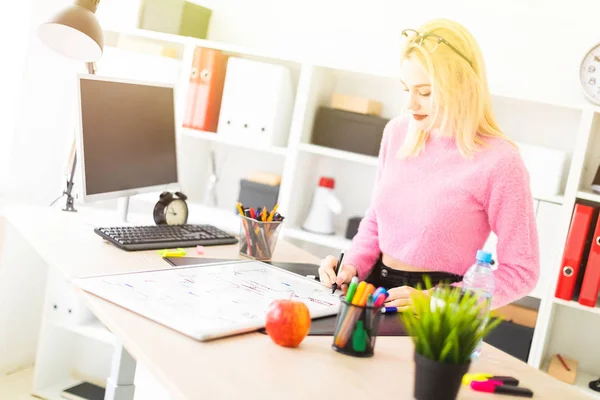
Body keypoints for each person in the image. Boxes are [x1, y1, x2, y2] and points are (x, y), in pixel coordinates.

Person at [318, 18, 539, 310]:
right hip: (371, 292)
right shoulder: (398, 132)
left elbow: (522, 271)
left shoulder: (501, 162)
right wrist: (352, 267)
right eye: (406, 89)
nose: (410, 104)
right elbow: (376, 220)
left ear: (462, 87)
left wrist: (436, 300)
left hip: (435, 314)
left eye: (425, 92)